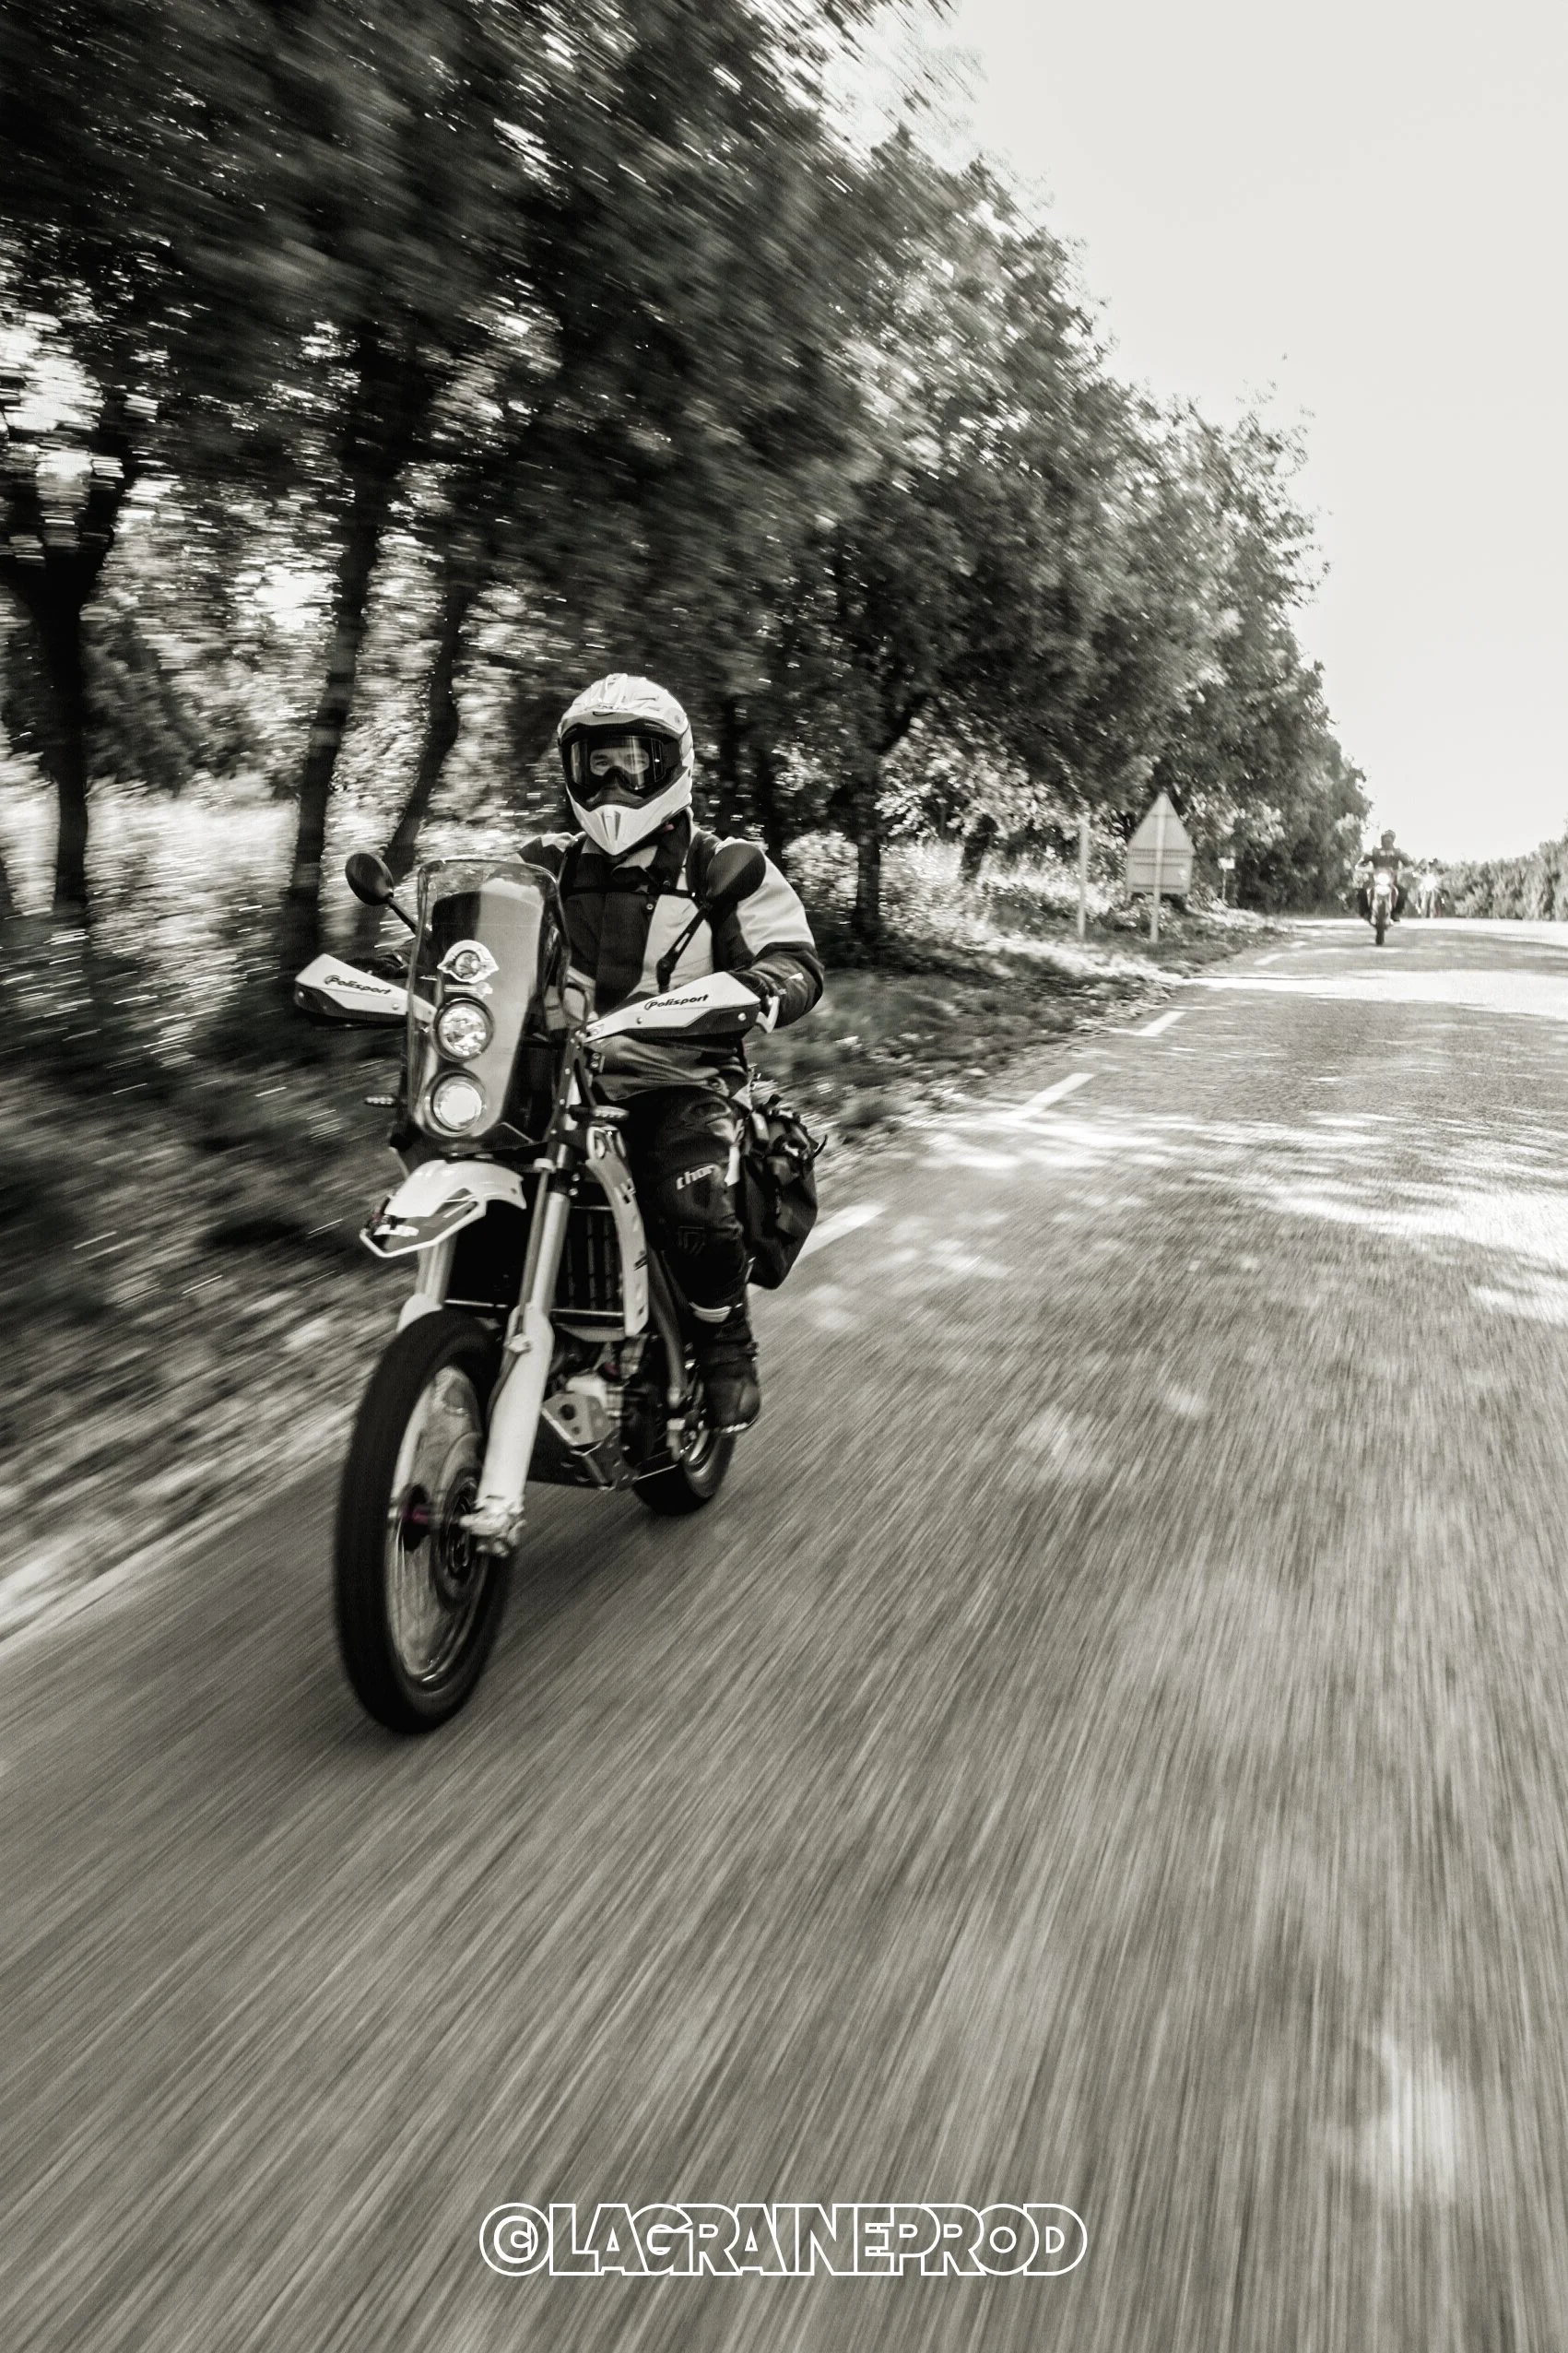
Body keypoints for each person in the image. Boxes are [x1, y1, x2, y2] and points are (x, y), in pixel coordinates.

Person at [520, 674, 823, 1433]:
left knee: (690, 1194)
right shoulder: (542, 867)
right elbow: (477, 949)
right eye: (596, 763)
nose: (614, 781)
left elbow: (796, 960)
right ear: (572, 770)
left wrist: (765, 986)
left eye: (631, 761)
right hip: (553, 1077)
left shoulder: (723, 866)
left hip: (679, 1075)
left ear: (670, 765)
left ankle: (724, 1339)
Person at [1355, 828, 1408, 920]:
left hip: (1392, 881)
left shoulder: (1398, 852)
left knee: (1403, 891)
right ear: (1382, 839)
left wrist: (1401, 871)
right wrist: (1367, 869)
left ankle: (1396, 913)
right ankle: (1366, 912)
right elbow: (1359, 864)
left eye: (1390, 838)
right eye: (1386, 838)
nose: (1388, 840)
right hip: (1375, 881)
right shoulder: (1375, 851)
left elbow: (1410, 864)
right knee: (1361, 890)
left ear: (1393, 840)